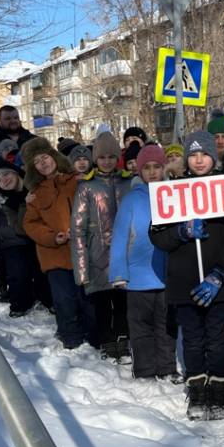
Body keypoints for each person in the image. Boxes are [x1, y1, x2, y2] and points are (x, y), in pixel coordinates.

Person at [149, 131, 224, 421]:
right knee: (192, 338)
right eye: (193, 155)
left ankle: (219, 387)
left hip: (217, 282)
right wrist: (180, 232)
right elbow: (157, 237)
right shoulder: (172, 190)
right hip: (184, 282)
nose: (199, 160)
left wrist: (220, 274)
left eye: (204, 154)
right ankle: (197, 386)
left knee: (217, 336)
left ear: (213, 157)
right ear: (186, 159)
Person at [109, 143, 181, 382]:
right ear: (139, 170)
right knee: (140, 328)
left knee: (166, 327)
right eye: (147, 167)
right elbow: (120, 236)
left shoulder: (173, 195)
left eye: (157, 167)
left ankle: (167, 368)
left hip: (167, 276)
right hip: (138, 277)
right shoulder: (131, 200)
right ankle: (145, 370)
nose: (152, 172)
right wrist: (119, 272)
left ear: (164, 168)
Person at [22, 137, 96, 350]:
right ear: (33, 168)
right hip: (54, 256)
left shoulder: (77, 180)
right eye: (37, 162)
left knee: (88, 298)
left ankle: (93, 336)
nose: (43, 163)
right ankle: (70, 337)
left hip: (84, 252)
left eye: (45, 157)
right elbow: (31, 223)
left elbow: (95, 209)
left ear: (54, 156)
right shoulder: (35, 194)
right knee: (64, 300)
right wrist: (52, 237)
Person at [71, 131, 133, 362]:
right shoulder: (87, 187)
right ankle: (107, 340)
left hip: (125, 252)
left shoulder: (128, 182)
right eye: (102, 157)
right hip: (97, 253)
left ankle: (123, 339)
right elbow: (78, 229)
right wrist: (81, 268)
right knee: (103, 302)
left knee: (123, 301)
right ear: (95, 159)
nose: (107, 161)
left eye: (111, 156)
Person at [0, 106, 36, 301]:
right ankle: (2, 280)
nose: (13, 120)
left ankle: (33, 285)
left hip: (27, 193)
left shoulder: (31, 140)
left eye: (16, 117)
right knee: (0, 239)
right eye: (8, 118)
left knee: (31, 239)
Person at [0, 157, 52, 317]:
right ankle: (20, 303)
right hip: (13, 237)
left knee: (42, 269)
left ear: (13, 171)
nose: (4, 181)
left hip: (40, 234)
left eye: (5, 175)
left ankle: (48, 299)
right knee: (18, 271)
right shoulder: (3, 199)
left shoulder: (34, 185)